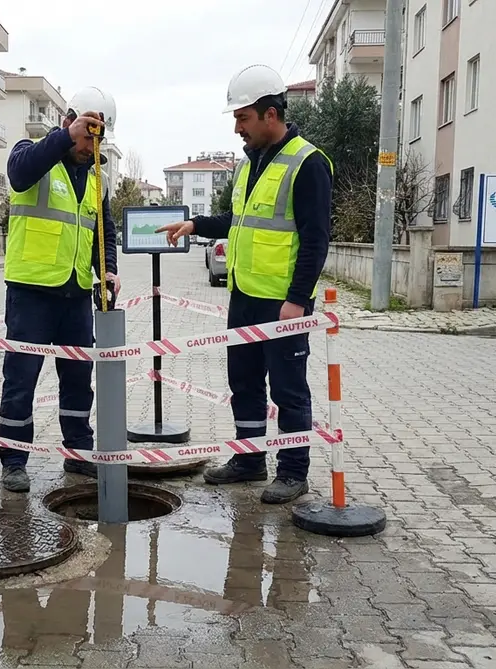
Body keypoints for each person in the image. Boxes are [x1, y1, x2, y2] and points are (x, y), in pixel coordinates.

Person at [156, 64, 333, 504]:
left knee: (289, 389)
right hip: (244, 296)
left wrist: (297, 299)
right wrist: (196, 223)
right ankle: (250, 459)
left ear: (270, 115)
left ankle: (293, 472)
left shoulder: (307, 163)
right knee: (246, 382)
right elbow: (240, 220)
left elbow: (316, 238)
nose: (238, 128)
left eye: (243, 118)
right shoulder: (248, 165)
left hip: (282, 303)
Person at [0, 86, 121, 493]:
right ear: (71, 122)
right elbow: (17, 174)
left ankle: (78, 453)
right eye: (86, 136)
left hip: (75, 295)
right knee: (21, 380)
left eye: (97, 140)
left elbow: (105, 233)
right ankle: (14, 460)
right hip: (31, 292)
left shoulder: (96, 177)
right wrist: (65, 138)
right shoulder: (31, 152)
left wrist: (109, 272)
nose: (89, 147)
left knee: (77, 379)